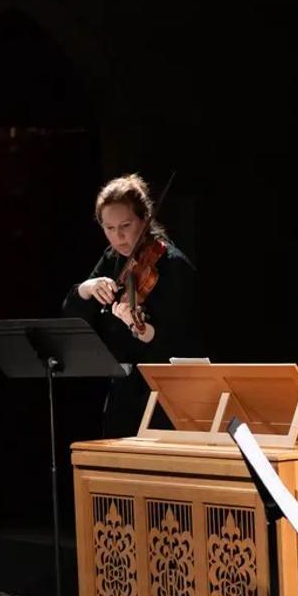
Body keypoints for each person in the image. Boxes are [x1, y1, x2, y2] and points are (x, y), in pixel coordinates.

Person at [62, 173, 198, 438]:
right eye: (109, 228)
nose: (119, 237)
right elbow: (72, 315)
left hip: (166, 395)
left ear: (144, 219)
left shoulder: (173, 265)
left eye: (125, 225)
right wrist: (86, 288)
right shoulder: (112, 258)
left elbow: (180, 341)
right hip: (124, 391)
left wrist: (140, 328)